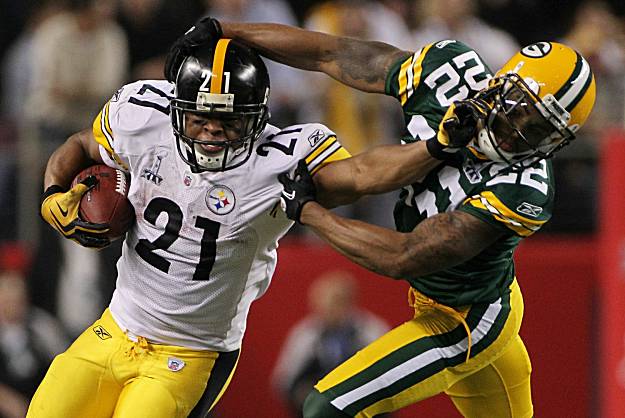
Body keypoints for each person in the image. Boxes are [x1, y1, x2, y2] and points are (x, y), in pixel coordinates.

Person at [30, 27, 473, 416]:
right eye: (200, 120)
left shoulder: (277, 162)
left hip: (191, 355)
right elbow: (80, 144)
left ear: (258, 119)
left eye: (228, 124)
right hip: (116, 327)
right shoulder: (142, 116)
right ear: (177, 108)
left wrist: (432, 147)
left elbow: (363, 173)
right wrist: (52, 193)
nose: (210, 134)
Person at [164, 20, 596, 418]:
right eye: (518, 107)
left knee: (325, 408)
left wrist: (308, 210)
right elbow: (332, 54)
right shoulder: (447, 73)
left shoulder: (524, 190)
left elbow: (403, 257)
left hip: (466, 319)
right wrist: (230, 30)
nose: (515, 130)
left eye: (537, 128)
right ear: (500, 84)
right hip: (460, 298)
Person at [272, 270, 388, 416]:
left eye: (336, 302)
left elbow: (387, 379)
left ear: (349, 302)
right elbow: (284, 380)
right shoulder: (305, 334)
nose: (329, 309)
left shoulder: (370, 331)